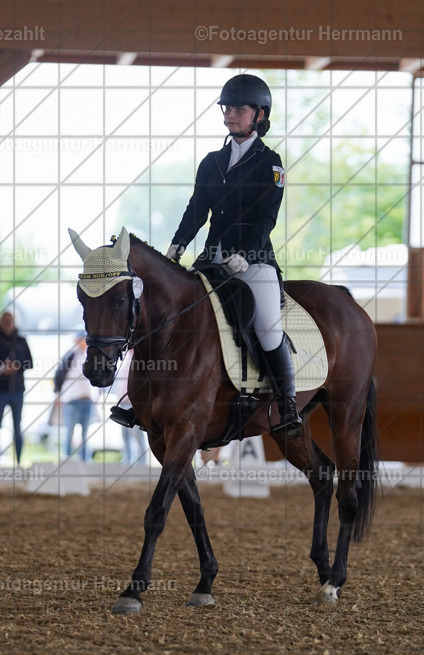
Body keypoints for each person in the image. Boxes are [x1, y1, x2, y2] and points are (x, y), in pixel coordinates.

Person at [164, 73, 302, 436]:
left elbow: (266, 218)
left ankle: (287, 404)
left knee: (268, 327)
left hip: (254, 261)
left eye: (238, 109)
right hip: (212, 260)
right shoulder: (211, 162)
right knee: (177, 312)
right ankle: (142, 397)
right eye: (227, 108)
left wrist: (246, 253)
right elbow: (197, 209)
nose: (229, 115)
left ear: (259, 115)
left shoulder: (271, 165)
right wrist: (177, 245)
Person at [0, 311, 33, 465]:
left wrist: (16, 367)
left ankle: (18, 463)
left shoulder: (21, 341)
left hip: (17, 391)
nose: (7, 324)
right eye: (4, 321)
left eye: (10, 321)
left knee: (17, 427)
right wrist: (1, 369)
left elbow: (30, 363)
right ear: (0, 323)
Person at [53, 334, 96, 461]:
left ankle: (84, 461)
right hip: (71, 400)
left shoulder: (93, 356)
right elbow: (59, 376)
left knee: (85, 434)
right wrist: (58, 395)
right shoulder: (70, 356)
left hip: (88, 400)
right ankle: (66, 460)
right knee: (69, 432)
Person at [110, 349, 149, 465]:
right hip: (123, 400)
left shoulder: (139, 357)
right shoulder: (126, 356)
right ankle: (127, 459)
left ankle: (142, 461)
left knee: (137, 433)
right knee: (125, 434)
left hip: (134, 402)